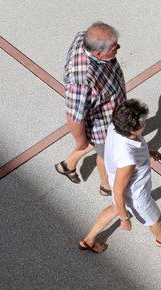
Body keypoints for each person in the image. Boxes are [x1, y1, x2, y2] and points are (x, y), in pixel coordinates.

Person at [78, 99, 161, 253]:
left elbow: (131, 149)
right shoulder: (128, 158)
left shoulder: (115, 127)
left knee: (114, 208)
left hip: (116, 177)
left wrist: (147, 152)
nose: (146, 122)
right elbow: (118, 191)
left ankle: (88, 240)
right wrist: (125, 219)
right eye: (144, 122)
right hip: (137, 195)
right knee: (156, 219)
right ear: (134, 130)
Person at [55, 22, 126, 196]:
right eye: (114, 47)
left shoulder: (84, 37)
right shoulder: (81, 82)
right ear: (98, 53)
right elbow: (74, 117)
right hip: (102, 124)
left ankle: (67, 165)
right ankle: (106, 186)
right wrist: (80, 142)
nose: (119, 47)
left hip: (110, 110)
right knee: (106, 154)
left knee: (96, 145)